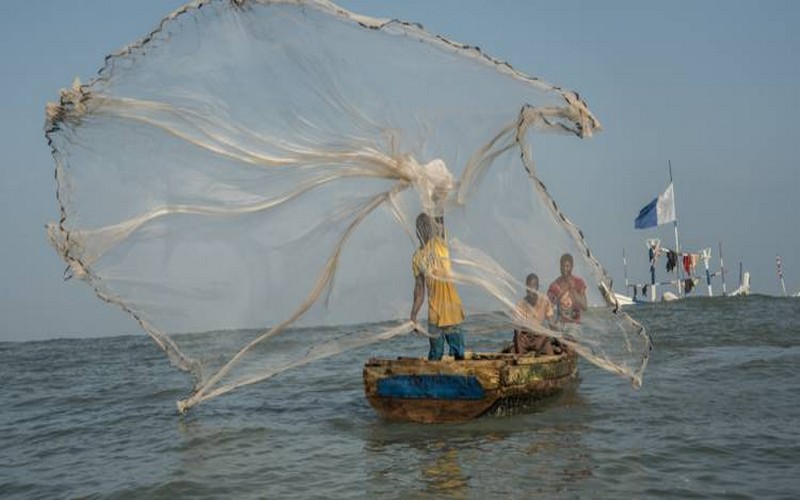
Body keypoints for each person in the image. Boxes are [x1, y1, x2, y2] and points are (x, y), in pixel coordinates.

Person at [410, 213, 466, 360]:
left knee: (458, 352)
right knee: (436, 353)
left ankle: (458, 380)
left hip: (451, 308)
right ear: (417, 231)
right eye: (421, 227)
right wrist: (413, 316)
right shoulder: (417, 257)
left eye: (427, 226)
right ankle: (435, 381)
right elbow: (419, 290)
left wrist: (437, 196)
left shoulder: (440, 243)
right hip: (434, 311)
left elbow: (440, 216)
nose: (425, 229)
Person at [511, 273, 556, 355]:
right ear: (526, 288)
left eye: (533, 286)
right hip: (525, 339)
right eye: (528, 286)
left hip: (539, 339)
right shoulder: (520, 305)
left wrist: (559, 340)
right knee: (513, 353)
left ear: (537, 287)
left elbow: (552, 324)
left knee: (550, 351)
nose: (531, 289)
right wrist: (519, 353)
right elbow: (517, 332)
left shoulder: (544, 301)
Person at [547, 253, 588, 330]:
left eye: (567, 266)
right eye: (562, 266)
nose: (564, 269)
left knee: (572, 338)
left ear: (572, 267)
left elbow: (584, 307)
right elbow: (548, 306)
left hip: (574, 325)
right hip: (559, 324)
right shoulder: (554, 285)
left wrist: (573, 290)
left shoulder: (579, 282)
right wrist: (551, 322)